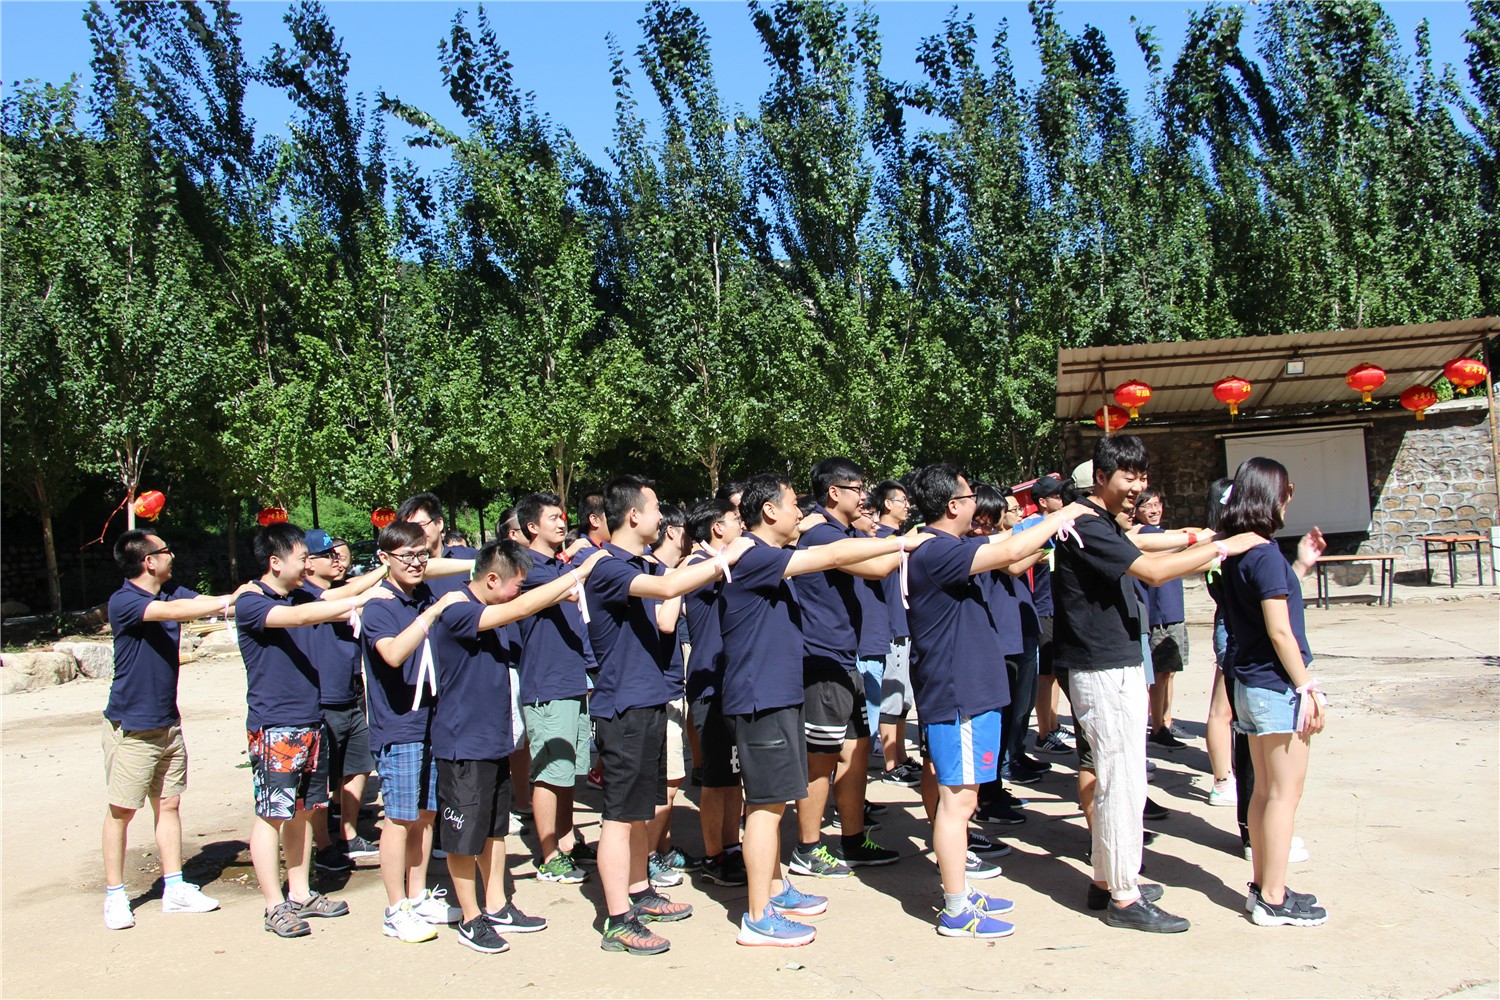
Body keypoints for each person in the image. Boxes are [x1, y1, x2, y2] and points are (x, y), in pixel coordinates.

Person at [1051, 435, 1268, 933]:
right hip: (1102, 667)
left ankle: (1108, 879)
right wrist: (1225, 546)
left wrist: (1201, 540)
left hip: (1111, 662)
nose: (1137, 487)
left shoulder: (1103, 522)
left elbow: (1145, 546)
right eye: (1128, 477)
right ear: (1100, 478)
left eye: (1142, 477)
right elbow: (1150, 571)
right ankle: (1125, 898)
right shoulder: (1088, 523)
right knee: (1122, 780)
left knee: (1119, 776)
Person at [719, 473, 934, 946]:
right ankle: (758, 916)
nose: (800, 513)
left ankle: (776, 889)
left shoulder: (763, 555)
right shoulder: (755, 555)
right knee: (765, 809)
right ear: (769, 511)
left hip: (778, 694)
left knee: (773, 802)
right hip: (761, 697)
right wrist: (905, 541)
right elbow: (834, 556)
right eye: (792, 504)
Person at [904, 465, 1085, 939]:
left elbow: (1008, 547)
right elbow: (1009, 551)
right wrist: (1064, 514)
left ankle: (961, 890)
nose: (980, 504)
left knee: (963, 801)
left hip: (972, 691)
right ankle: (956, 908)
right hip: (957, 694)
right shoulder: (937, 550)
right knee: (958, 803)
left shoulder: (951, 546)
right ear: (953, 506)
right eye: (970, 497)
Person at [583, 475, 751, 956]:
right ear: (633, 514)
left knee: (640, 810)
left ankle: (639, 889)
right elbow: (669, 585)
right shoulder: (609, 567)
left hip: (649, 699)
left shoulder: (635, 563)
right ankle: (618, 919)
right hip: (623, 706)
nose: (662, 516)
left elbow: (665, 607)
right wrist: (725, 557)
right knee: (619, 816)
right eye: (656, 508)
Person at [427, 539, 605, 953]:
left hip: (493, 740)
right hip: (463, 743)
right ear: (492, 579)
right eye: (516, 585)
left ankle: (496, 905)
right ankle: (471, 917)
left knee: (493, 831)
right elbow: (522, 607)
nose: (518, 593)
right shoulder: (459, 609)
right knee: (463, 836)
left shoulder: (491, 608)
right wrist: (578, 573)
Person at [235, 522, 393, 939]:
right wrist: (360, 599)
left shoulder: (301, 593)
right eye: (302, 558)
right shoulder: (252, 601)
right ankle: (274, 905)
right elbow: (302, 616)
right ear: (275, 562)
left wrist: (376, 579)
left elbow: (332, 599)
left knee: (305, 810)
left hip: (309, 720)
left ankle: (301, 892)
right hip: (275, 725)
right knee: (273, 814)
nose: (309, 565)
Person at [101, 529, 249, 930]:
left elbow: (198, 603)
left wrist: (241, 597)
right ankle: (115, 894)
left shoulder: (168, 591)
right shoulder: (126, 601)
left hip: (167, 721)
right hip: (133, 726)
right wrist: (230, 599)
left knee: (168, 803)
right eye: (166, 550)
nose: (172, 555)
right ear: (149, 561)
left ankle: (175, 886)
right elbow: (179, 612)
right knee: (121, 811)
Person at [1215, 459, 1328, 926]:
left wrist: (1298, 564)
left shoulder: (1241, 552)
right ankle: (1274, 898)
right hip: (1274, 686)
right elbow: (1280, 631)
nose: (1288, 500)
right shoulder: (1262, 554)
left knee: (1263, 791)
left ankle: (1264, 887)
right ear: (1273, 496)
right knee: (1283, 794)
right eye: (1286, 492)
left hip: (1250, 683)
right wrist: (1307, 687)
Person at [789, 458, 903, 877]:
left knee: (854, 753)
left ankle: (853, 839)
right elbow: (877, 567)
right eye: (857, 488)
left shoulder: (841, 531)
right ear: (834, 492)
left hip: (846, 661)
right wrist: (918, 541)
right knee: (821, 759)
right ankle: (807, 849)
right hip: (821, 663)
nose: (864, 496)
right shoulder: (821, 534)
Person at [360, 520, 468, 944]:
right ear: (384, 558)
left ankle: (418, 895)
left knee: (425, 815)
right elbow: (391, 653)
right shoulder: (379, 605)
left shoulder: (422, 592)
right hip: (398, 726)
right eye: (406, 556)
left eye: (422, 554)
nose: (417, 563)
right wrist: (431, 615)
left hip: (431, 721)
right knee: (399, 818)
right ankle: (395, 908)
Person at [513, 492, 597, 885]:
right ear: (531, 526)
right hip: (546, 684)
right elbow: (568, 587)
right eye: (552, 518)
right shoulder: (528, 567)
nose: (562, 523)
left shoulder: (557, 565)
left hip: (571, 679)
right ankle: (548, 855)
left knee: (568, 770)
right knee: (549, 772)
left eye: (562, 517)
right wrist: (586, 561)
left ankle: (566, 840)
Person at [301, 529, 386, 872]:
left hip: (351, 695)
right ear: (307, 563)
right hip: (323, 700)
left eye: (337, 554)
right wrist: (387, 568)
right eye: (328, 555)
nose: (337, 560)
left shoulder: (342, 589)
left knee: (358, 765)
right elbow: (346, 598)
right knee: (320, 778)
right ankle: (323, 846)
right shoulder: (305, 596)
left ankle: (348, 835)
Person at [681, 498, 748, 888]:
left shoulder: (724, 562)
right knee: (715, 778)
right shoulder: (698, 566)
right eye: (736, 519)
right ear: (716, 528)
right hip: (710, 686)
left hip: (734, 682)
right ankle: (713, 855)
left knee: (733, 775)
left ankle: (731, 846)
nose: (742, 525)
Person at [1133, 489, 1190, 748]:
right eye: (1147, 506)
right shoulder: (1145, 536)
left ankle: (1166, 720)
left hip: (1174, 611)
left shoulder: (1163, 535)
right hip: (1159, 616)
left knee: (1170, 671)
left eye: (1157, 504)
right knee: (1159, 673)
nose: (1154, 510)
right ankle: (1157, 726)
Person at [1022, 476, 1074, 757]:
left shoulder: (1061, 523)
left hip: (1060, 606)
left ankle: (1052, 725)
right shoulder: (1036, 526)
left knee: (1055, 671)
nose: (1061, 499)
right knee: (1046, 674)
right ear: (1043, 502)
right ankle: (1044, 733)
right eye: (1056, 496)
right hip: (1043, 608)